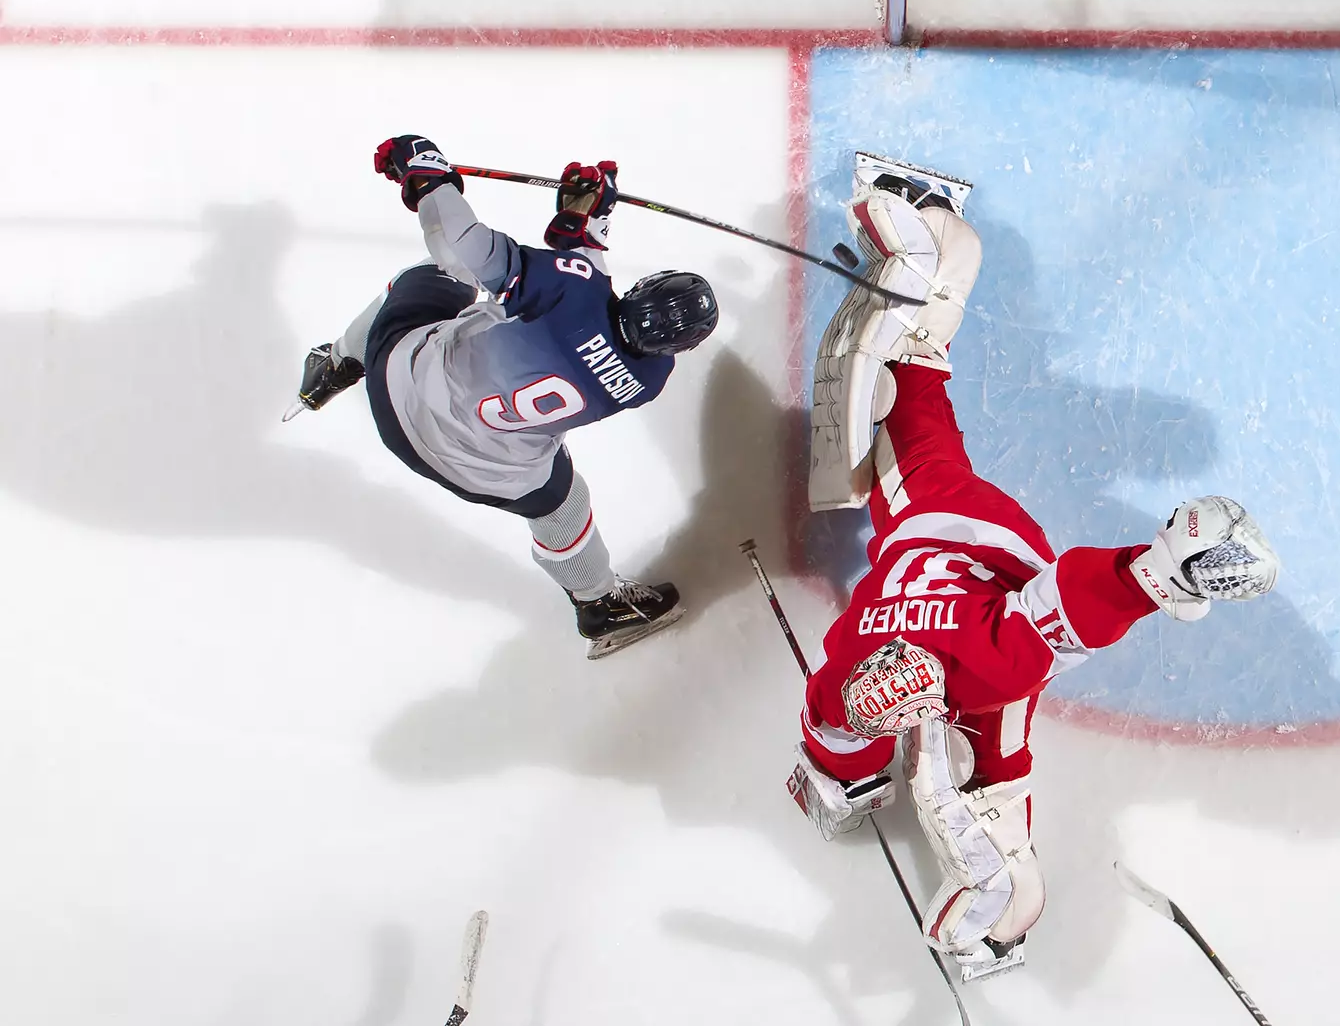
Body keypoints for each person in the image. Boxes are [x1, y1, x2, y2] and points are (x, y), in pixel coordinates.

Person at [789, 165, 1281, 977]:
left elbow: (1066, 602)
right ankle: (933, 253)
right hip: (938, 518)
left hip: (963, 536)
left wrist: (1160, 575)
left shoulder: (966, 663)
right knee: (906, 389)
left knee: (979, 810)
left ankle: (997, 922)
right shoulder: (859, 651)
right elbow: (831, 723)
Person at [288, 135, 719, 657]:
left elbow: (462, 244)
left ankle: (335, 364)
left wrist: (427, 176)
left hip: (398, 394)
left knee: (438, 278)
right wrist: (584, 224)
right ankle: (599, 603)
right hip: (489, 473)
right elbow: (582, 297)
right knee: (564, 503)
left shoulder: (574, 290)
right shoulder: (648, 380)